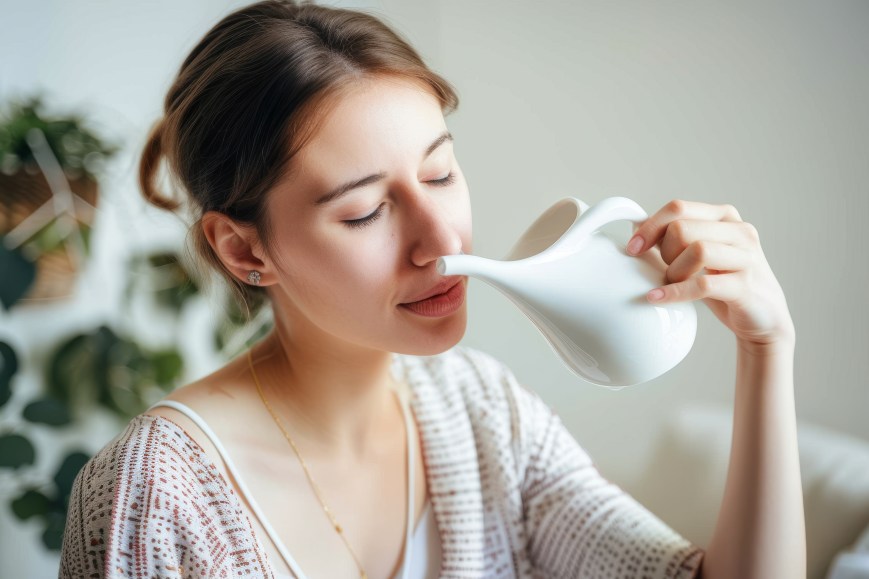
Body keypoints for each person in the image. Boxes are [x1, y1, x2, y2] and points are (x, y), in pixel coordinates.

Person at [58, 1, 805, 578]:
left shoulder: (481, 412)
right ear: (244, 248)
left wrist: (765, 348)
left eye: (441, 173)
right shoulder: (153, 495)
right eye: (365, 210)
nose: (441, 241)